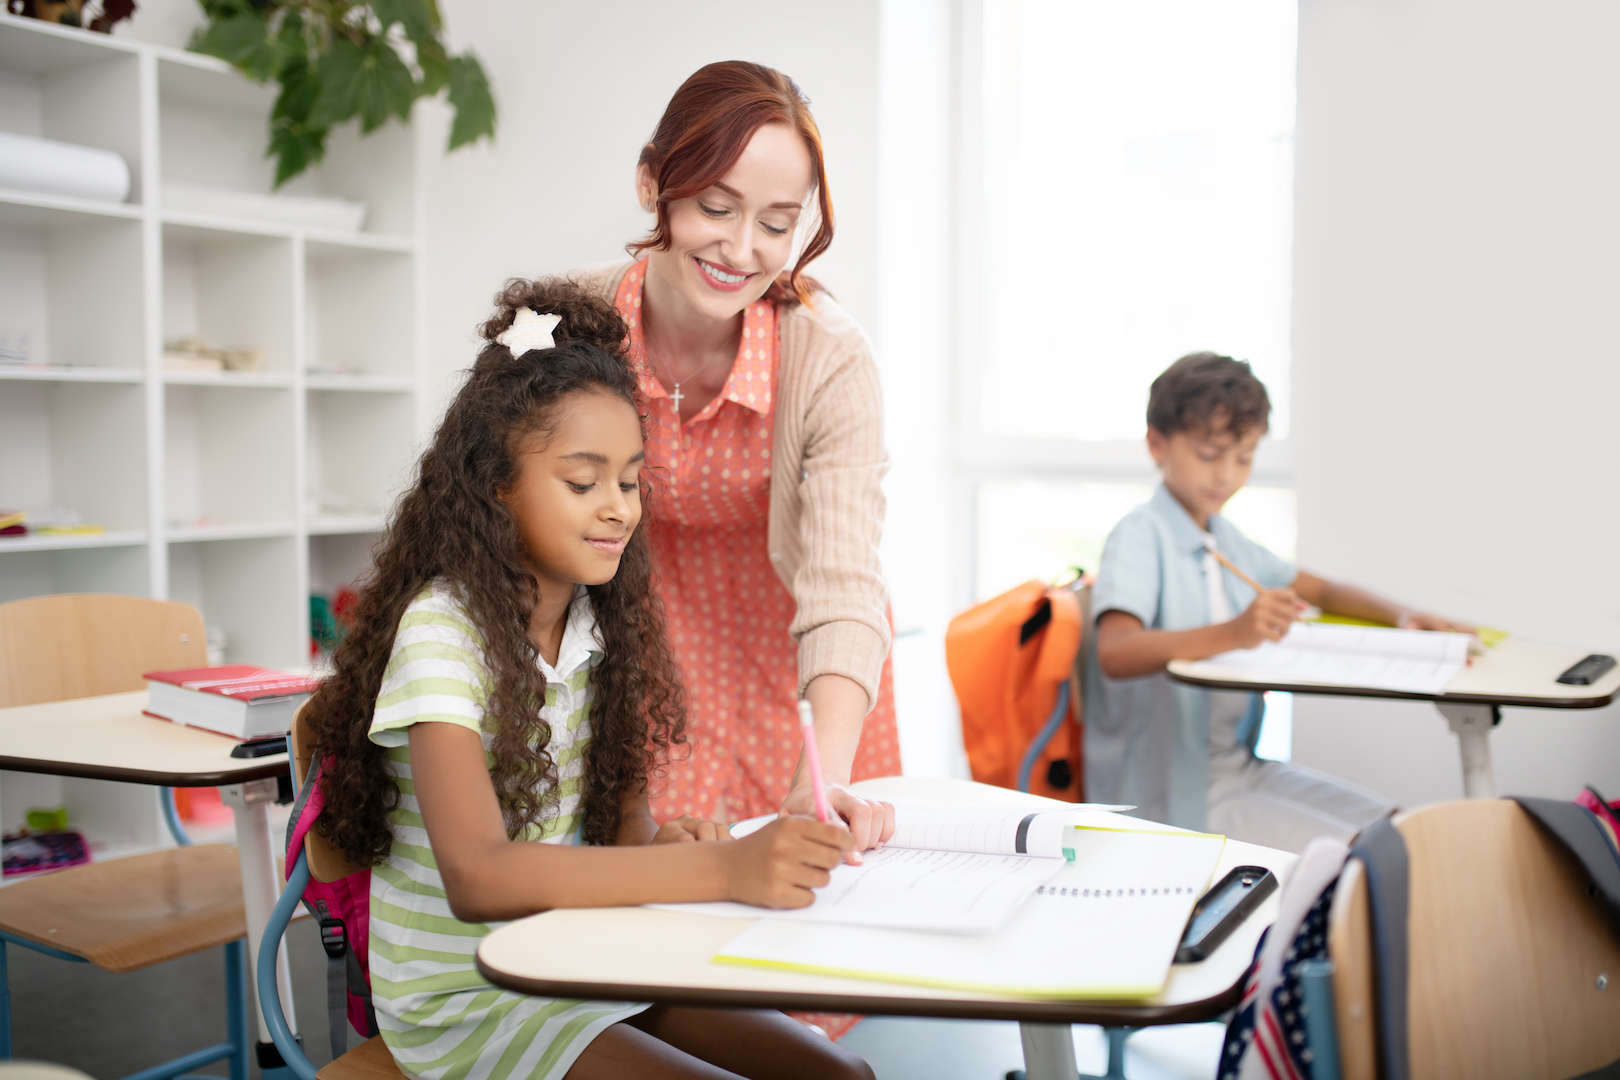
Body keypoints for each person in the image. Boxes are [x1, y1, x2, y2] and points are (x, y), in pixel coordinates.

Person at [299, 279, 874, 1080]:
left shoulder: (600, 624)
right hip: (471, 994)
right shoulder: (442, 632)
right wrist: (723, 869)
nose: (619, 509)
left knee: (842, 1075)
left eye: (631, 481)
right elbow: (479, 877)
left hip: (584, 952)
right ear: (496, 484)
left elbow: (620, 836)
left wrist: (672, 844)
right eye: (583, 482)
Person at [572, 62, 899, 858]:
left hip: (805, 673)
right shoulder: (572, 326)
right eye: (716, 207)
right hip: (639, 661)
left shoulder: (829, 359)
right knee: (658, 936)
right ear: (656, 183)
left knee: (820, 934)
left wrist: (820, 779)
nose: (742, 249)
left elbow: (846, 588)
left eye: (777, 224)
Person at [1086, 352, 1473, 853]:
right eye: (1209, 454)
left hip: (1241, 769)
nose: (1226, 474)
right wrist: (1236, 632)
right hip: (1176, 798)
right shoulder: (1140, 535)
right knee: (1375, 857)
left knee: (1403, 830)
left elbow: (1322, 590)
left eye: (1244, 458)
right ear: (1157, 443)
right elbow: (1115, 652)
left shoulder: (1224, 540)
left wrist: (1399, 615)